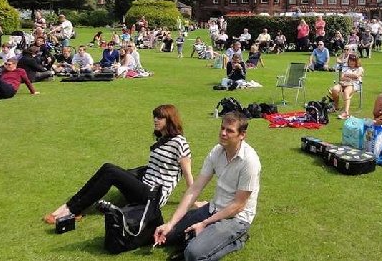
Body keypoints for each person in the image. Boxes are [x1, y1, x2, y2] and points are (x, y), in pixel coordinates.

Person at [43, 105, 193, 224]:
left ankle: (73, 210)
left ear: (170, 119)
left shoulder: (179, 143)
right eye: (155, 116)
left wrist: (194, 200)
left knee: (111, 171)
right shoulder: (162, 139)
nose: (155, 119)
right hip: (144, 185)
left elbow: (188, 174)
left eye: (160, 117)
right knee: (107, 169)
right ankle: (70, 206)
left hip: (153, 196)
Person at [154, 111, 261, 261]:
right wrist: (171, 223)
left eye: (229, 130)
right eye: (222, 128)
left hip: (236, 218)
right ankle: (201, 236)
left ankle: (238, 239)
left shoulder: (250, 162)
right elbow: (195, 188)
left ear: (242, 135)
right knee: (169, 235)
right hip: (213, 208)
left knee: (193, 253)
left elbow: (238, 205)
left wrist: (204, 223)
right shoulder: (217, 151)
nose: (223, 133)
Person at [330, 54, 364, 119]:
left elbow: (357, 76)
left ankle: (346, 113)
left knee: (346, 92)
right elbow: (342, 78)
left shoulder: (360, 68)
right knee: (334, 89)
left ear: (356, 61)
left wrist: (347, 75)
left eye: (353, 61)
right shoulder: (346, 67)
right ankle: (336, 106)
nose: (351, 62)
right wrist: (350, 77)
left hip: (354, 84)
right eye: (350, 61)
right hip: (343, 83)